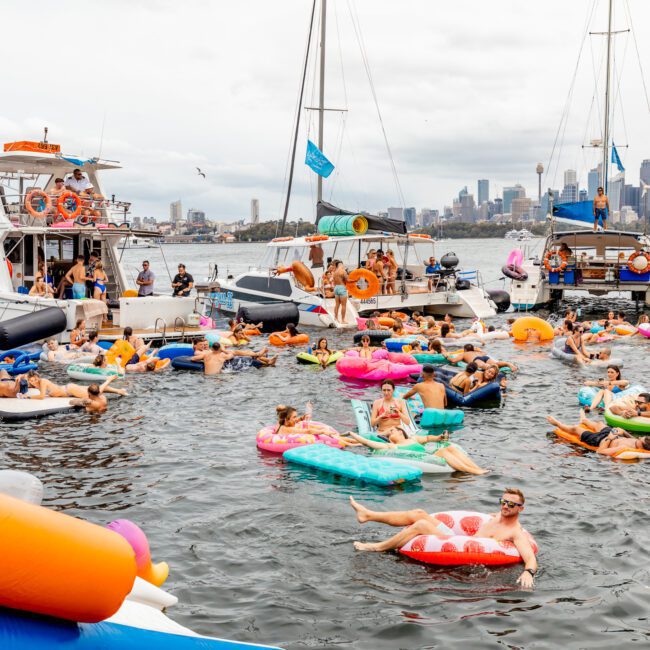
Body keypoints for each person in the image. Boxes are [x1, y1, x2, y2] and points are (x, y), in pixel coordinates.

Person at [348, 488, 537, 587]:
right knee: (419, 513)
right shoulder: (496, 516)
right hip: (457, 539)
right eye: (503, 502)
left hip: (464, 547)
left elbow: (530, 558)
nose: (505, 506)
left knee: (421, 525)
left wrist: (528, 572)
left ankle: (377, 547)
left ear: (521, 508)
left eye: (511, 504)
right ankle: (368, 514)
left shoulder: (515, 532)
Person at [348, 426, 487, 474]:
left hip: (431, 455)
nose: (390, 435)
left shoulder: (414, 439)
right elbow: (369, 442)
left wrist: (440, 437)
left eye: (392, 432)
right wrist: (353, 434)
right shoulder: (392, 447)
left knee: (450, 447)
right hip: (428, 458)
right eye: (389, 434)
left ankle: (477, 468)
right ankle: (472, 471)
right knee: (445, 452)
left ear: (401, 432)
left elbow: (429, 439)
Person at [547, 414, 650, 455]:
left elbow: (601, 451)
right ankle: (585, 420)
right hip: (613, 435)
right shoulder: (637, 442)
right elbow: (630, 437)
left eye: (641, 438)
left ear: (641, 444)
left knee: (576, 428)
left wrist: (609, 438)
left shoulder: (623, 448)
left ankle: (558, 424)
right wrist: (622, 431)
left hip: (600, 440)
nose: (639, 437)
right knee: (600, 424)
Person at [25, 370, 127, 401]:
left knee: (95, 394)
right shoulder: (35, 384)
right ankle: (119, 391)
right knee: (93, 388)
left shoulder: (43, 381)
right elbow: (23, 377)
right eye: (31, 381)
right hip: (68, 388)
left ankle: (108, 380)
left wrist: (28, 397)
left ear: (38, 378)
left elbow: (42, 396)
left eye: (34, 380)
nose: (33, 382)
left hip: (69, 390)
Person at [332, 260, 348, 324]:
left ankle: (336, 318)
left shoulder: (335, 272)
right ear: (341, 265)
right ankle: (343, 320)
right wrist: (355, 280)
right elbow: (348, 280)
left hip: (336, 288)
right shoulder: (343, 271)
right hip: (341, 287)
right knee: (344, 305)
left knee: (337, 304)